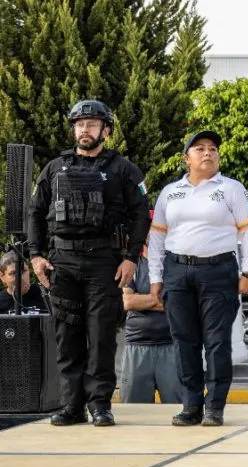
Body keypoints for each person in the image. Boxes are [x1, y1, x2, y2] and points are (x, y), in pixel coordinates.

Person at [27, 99, 150, 427]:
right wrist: (35, 256)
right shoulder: (54, 169)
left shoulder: (123, 169)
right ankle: (71, 406)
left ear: (105, 131)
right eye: (80, 125)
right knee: (67, 335)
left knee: (101, 336)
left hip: (104, 263)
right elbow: (35, 214)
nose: (85, 129)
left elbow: (141, 213)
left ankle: (99, 405)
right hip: (62, 263)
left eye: (92, 124)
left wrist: (131, 258)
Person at [148, 131, 248, 426]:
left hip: (218, 272)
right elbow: (157, 237)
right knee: (185, 342)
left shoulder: (231, 188)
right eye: (200, 149)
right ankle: (191, 405)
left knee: (217, 342)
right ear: (187, 159)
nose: (208, 153)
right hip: (177, 272)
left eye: (212, 149)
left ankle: (215, 407)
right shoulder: (170, 192)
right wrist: (156, 278)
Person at [120, 239, 183, 404]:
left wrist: (142, 300)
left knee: (178, 411)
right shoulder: (132, 266)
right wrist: (160, 300)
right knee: (134, 414)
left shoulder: (176, 266)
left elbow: (179, 303)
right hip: (136, 346)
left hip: (171, 346)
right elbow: (128, 302)